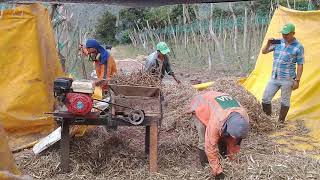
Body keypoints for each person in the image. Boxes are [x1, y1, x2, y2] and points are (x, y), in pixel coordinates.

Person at [190, 91, 250, 178]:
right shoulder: (217, 121)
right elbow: (210, 146)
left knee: (225, 138)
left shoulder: (244, 117)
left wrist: (231, 160)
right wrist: (217, 171)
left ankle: (223, 157)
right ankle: (205, 165)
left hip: (216, 104)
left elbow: (235, 142)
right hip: (200, 105)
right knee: (204, 140)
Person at [261, 23, 304, 124]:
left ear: (293, 33)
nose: (284, 36)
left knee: (285, 101)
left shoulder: (299, 47)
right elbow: (264, 51)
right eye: (283, 33)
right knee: (265, 99)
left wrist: (297, 80)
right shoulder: (277, 41)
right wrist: (268, 43)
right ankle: (268, 120)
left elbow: (300, 64)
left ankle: (280, 122)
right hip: (274, 77)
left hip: (288, 79)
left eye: (287, 34)